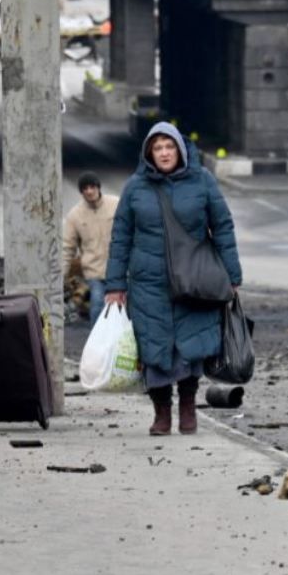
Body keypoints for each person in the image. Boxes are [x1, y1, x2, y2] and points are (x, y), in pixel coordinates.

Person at [104, 122, 242, 436]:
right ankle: (161, 412)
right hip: (148, 282)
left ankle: (188, 407)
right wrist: (115, 284)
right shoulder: (135, 187)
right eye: (158, 147)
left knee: (189, 347)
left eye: (169, 146)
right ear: (149, 153)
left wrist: (232, 276)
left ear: (180, 149)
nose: (165, 153)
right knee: (155, 348)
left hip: (193, 280)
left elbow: (223, 228)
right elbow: (120, 237)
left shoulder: (202, 181)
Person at [63, 172, 119, 324]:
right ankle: (97, 341)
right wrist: (61, 275)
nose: (89, 191)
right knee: (97, 305)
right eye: (84, 188)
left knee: (124, 307)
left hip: (119, 268)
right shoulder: (75, 215)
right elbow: (68, 247)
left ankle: (122, 342)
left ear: (98, 188)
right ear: (81, 192)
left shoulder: (116, 204)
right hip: (94, 271)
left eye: (92, 187)